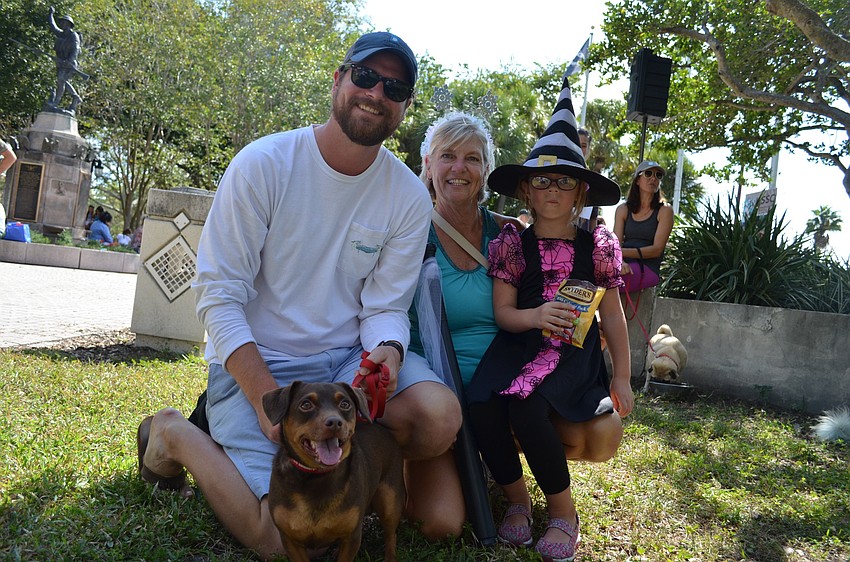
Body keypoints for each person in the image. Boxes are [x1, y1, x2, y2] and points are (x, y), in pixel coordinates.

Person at [136, 32, 463, 560]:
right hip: (258, 362)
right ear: (337, 79)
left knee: (438, 417)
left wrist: (389, 351)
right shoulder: (264, 164)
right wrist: (268, 403)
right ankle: (174, 433)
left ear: (404, 107)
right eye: (365, 76)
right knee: (280, 540)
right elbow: (218, 297)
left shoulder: (405, 194)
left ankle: (350, 488)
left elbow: (385, 306)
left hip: (343, 365)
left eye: (395, 87)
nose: (377, 92)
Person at [465, 75, 633, 561]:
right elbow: (503, 313)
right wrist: (535, 314)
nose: (553, 189)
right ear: (525, 188)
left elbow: (614, 316)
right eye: (542, 179)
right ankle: (516, 499)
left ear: (581, 193)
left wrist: (621, 373)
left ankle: (562, 510)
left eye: (565, 180)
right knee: (481, 399)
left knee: (528, 404)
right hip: (520, 341)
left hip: (573, 354)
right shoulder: (511, 243)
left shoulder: (598, 245)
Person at [408, 111, 523, 389]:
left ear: (485, 170)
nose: (459, 168)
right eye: (447, 156)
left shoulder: (513, 233)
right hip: (432, 381)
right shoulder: (409, 232)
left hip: (507, 383)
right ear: (428, 164)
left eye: (472, 158)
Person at [613, 160, 674, 293]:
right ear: (637, 180)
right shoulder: (623, 209)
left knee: (610, 283)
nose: (653, 178)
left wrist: (621, 253)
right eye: (648, 173)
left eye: (658, 175)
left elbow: (656, 250)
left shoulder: (665, 211)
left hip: (647, 268)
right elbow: (615, 245)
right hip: (622, 264)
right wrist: (620, 262)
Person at [47, 6, 83, 113]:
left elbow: (75, 49)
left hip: (70, 63)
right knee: (61, 81)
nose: (62, 25)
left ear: (68, 24)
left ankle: (58, 101)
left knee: (61, 80)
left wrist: (69, 61)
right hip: (61, 63)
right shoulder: (62, 34)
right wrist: (50, 15)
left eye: (64, 23)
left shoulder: (73, 36)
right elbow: (53, 26)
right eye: (62, 23)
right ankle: (75, 97)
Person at [576, 127, 600, 231]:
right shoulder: (557, 173)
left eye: (583, 146)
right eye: (576, 144)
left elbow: (593, 219)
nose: (579, 149)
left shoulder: (592, 180)